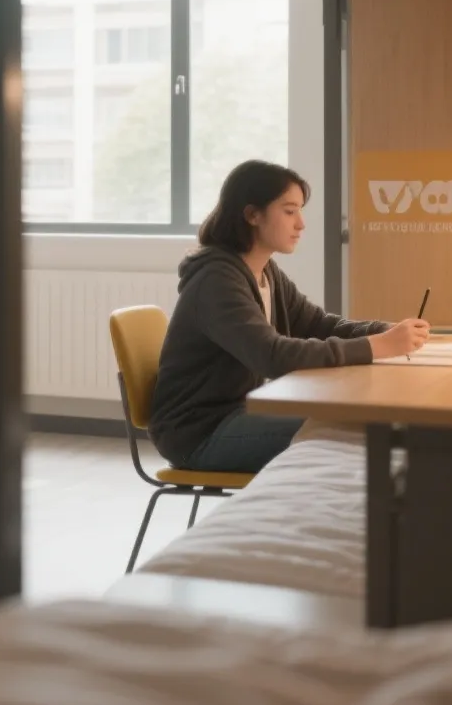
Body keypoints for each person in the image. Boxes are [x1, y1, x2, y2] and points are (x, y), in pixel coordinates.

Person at [150, 160, 430, 474]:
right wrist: (378, 346)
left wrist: (383, 330)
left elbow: (319, 324)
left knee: (352, 424)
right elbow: (273, 356)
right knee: (350, 430)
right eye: (289, 211)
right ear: (252, 214)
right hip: (199, 434)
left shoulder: (265, 272)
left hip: (241, 413)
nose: (301, 224)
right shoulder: (216, 281)